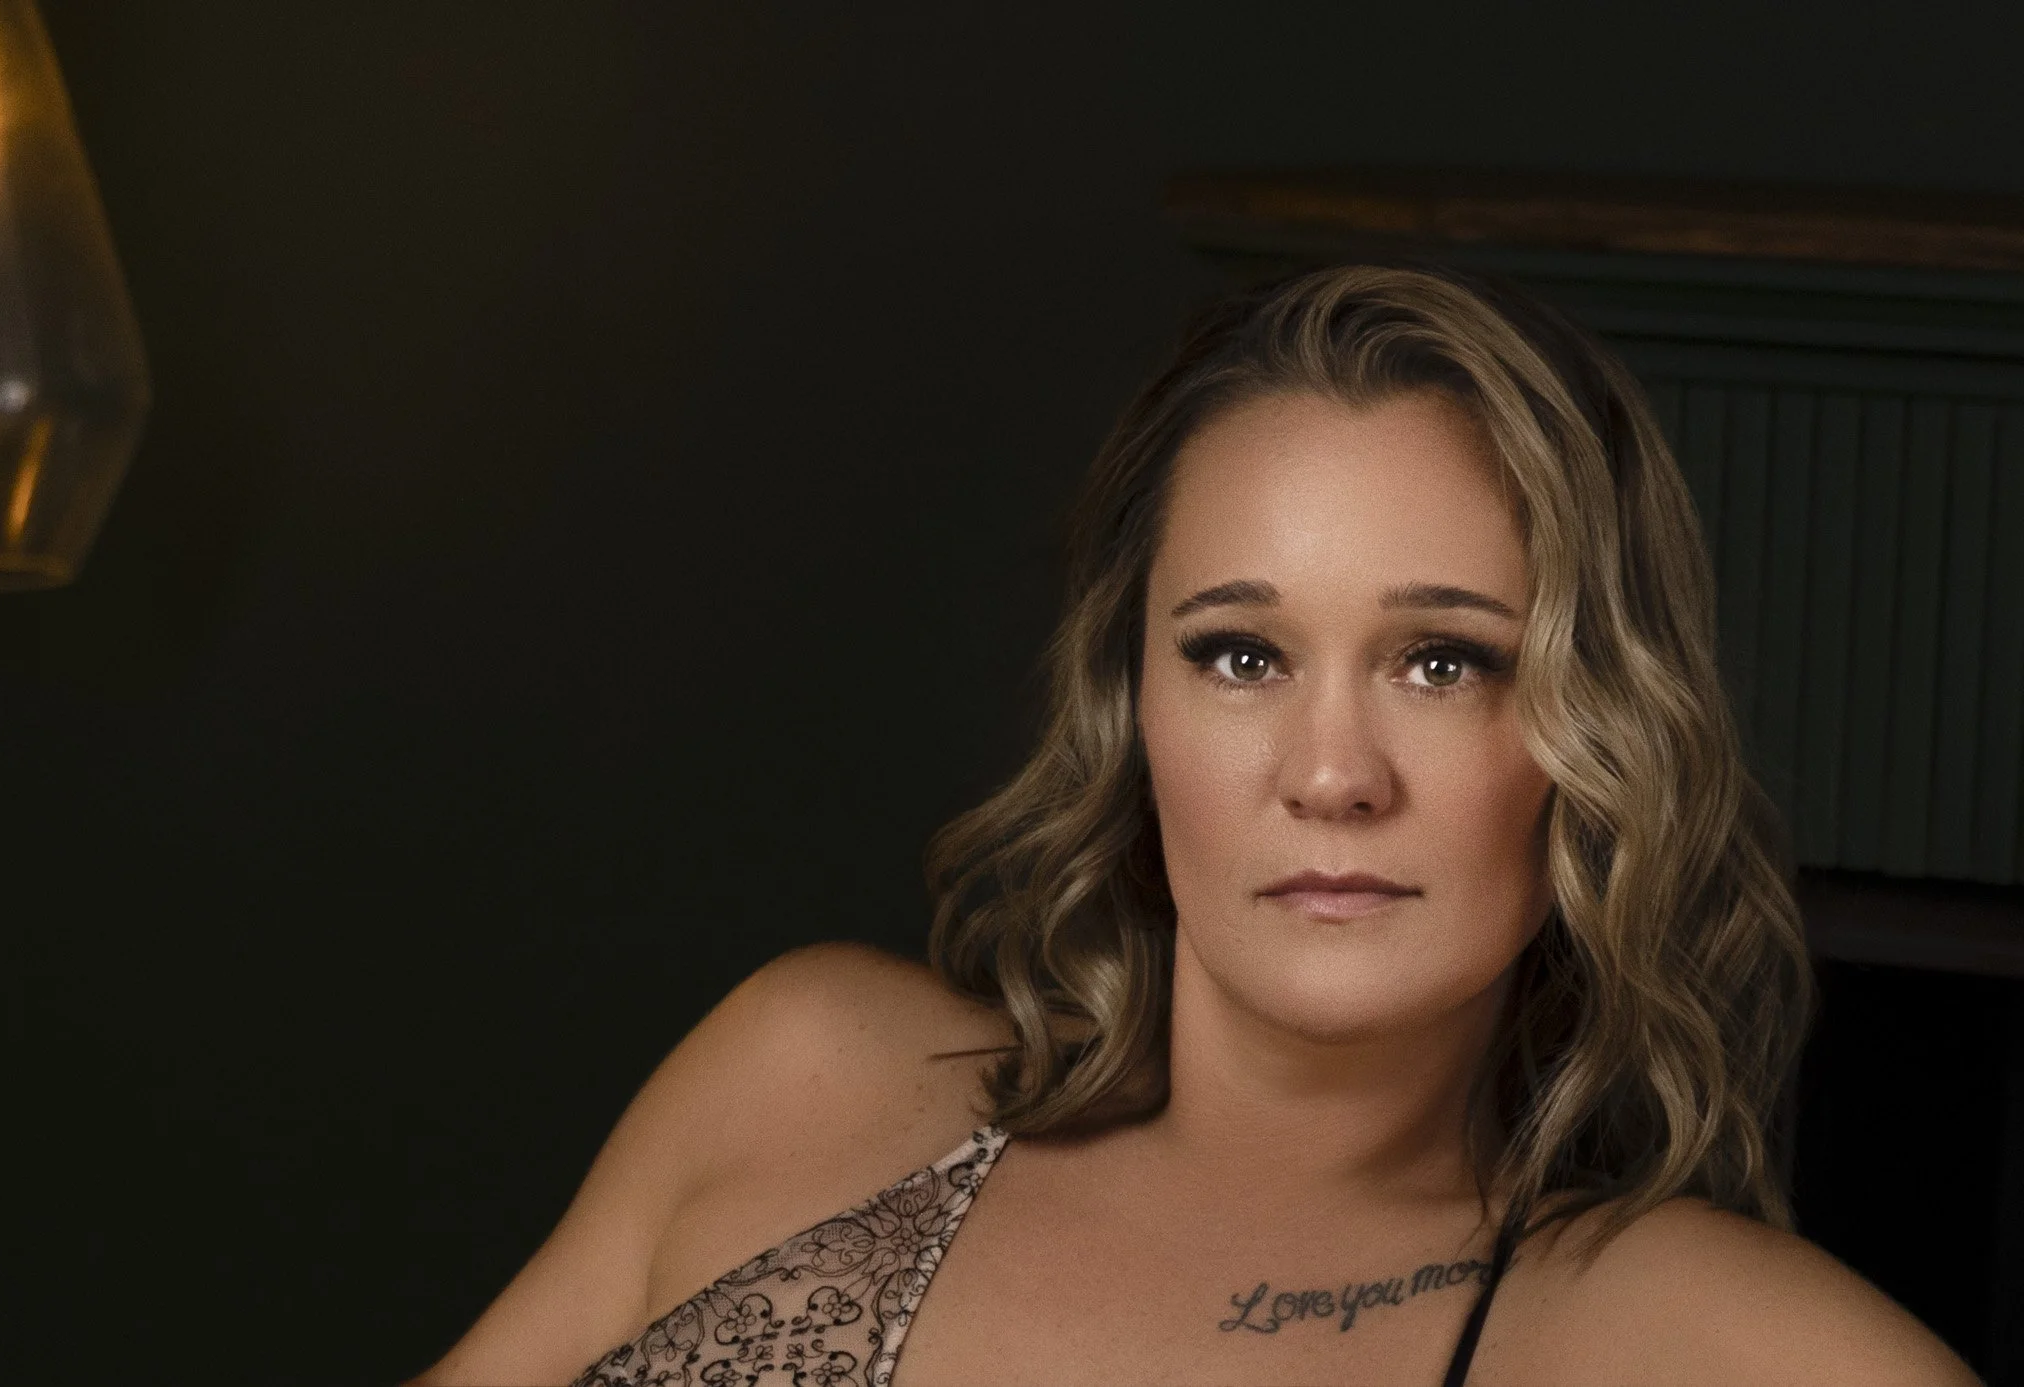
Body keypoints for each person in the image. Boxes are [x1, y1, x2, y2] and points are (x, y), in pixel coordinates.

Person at [406, 264, 1982, 1387]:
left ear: (1596, 736)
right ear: (1134, 707)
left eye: (1444, 662)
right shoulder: (806, 1074)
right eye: (1242, 653)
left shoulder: (1726, 1348)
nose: (1331, 771)